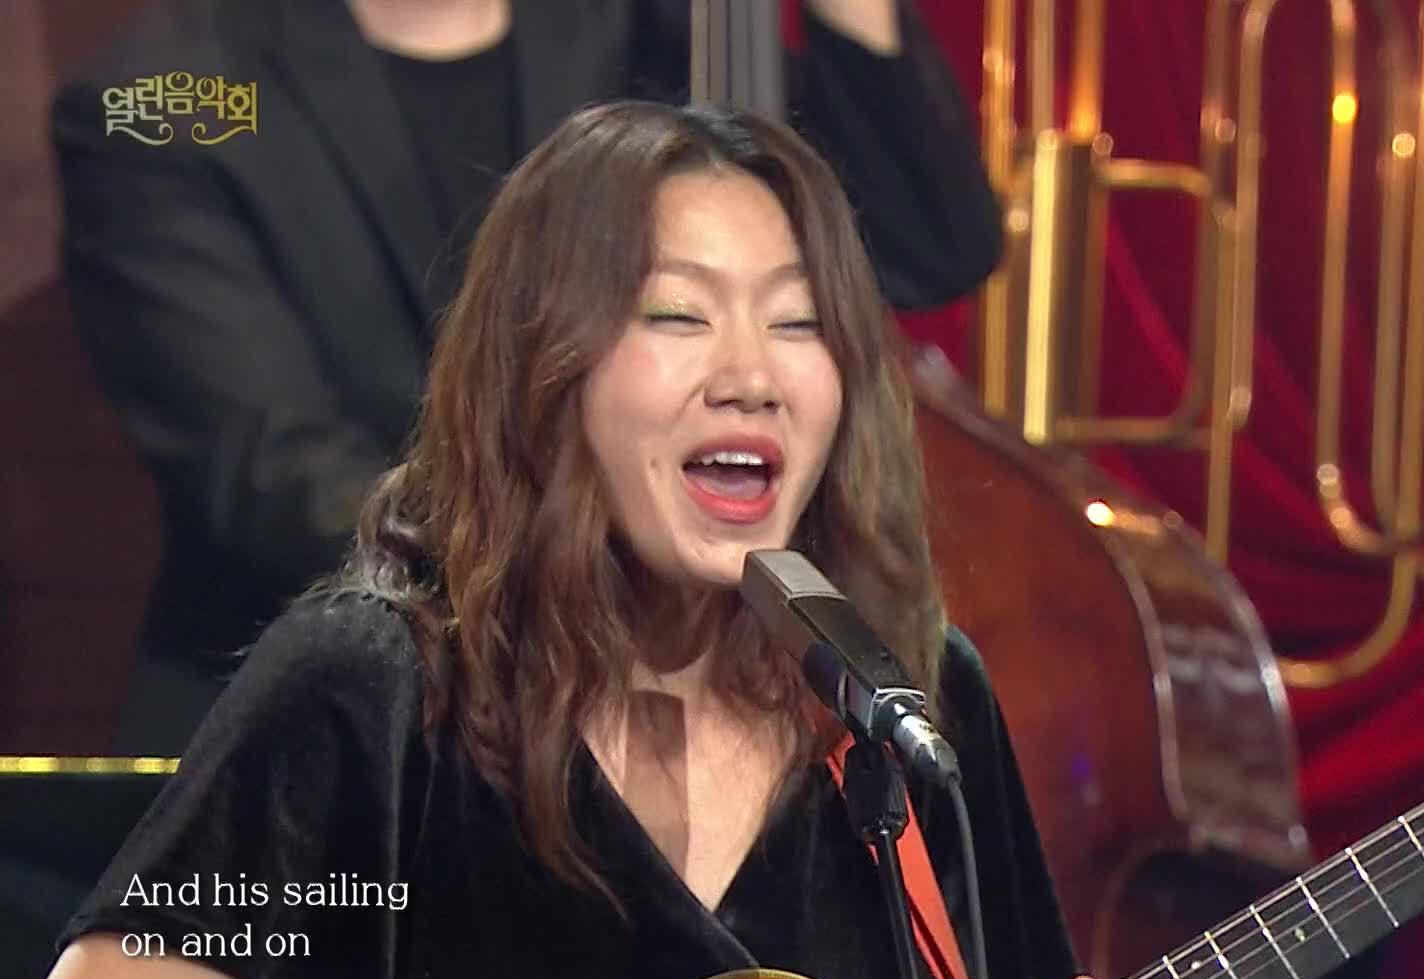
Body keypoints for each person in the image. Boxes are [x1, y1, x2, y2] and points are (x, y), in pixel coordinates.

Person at [4, 103, 1177, 979]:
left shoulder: (906, 697)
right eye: (678, 314)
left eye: (799, 321)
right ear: (544, 365)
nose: (752, 375)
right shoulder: (376, 692)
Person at [50, 0, 1003, 754]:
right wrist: (575, 584)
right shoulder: (167, 95)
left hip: (696, 710)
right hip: (335, 729)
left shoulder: (651, 38)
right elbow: (267, 468)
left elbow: (926, 247)